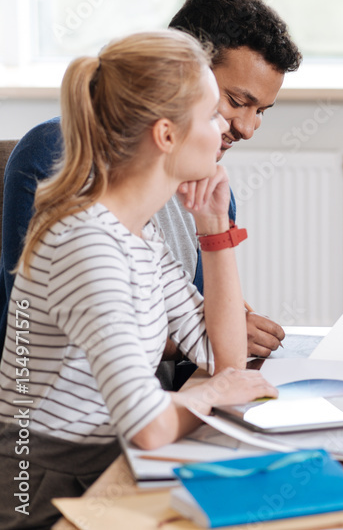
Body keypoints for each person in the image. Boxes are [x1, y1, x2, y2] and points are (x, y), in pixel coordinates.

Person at [0, 30, 279, 529]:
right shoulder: (86, 244)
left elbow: (224, 357)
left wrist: (214, 230)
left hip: (108, 458)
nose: (227, 131)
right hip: (46, 485)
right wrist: (214, 394)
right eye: (212, 115)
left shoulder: (139, 235)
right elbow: (153, 425)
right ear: (167, 135)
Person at [1, 0, 303, 358]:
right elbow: (48, 331)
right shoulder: (57, 155)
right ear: (181, 72)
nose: (246, 128)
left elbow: (204, 325)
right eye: (236, 102)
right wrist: (207, 344)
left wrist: (228, 327)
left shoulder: (193, 202)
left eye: (261, 111)